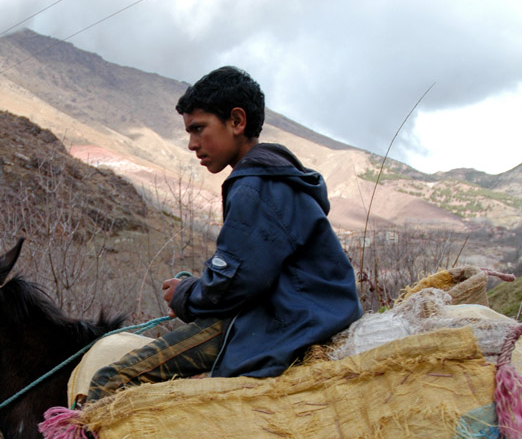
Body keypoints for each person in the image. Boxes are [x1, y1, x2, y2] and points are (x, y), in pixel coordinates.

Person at [85, 65, 362, 405]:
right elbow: (247, 267)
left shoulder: (254, 187)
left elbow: (235, 284)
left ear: (236, 121)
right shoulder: (276, 176)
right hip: (307, 312)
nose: (192, 144)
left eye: (199, 128)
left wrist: (186, 294)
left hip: (284, 321)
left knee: (109, 381)